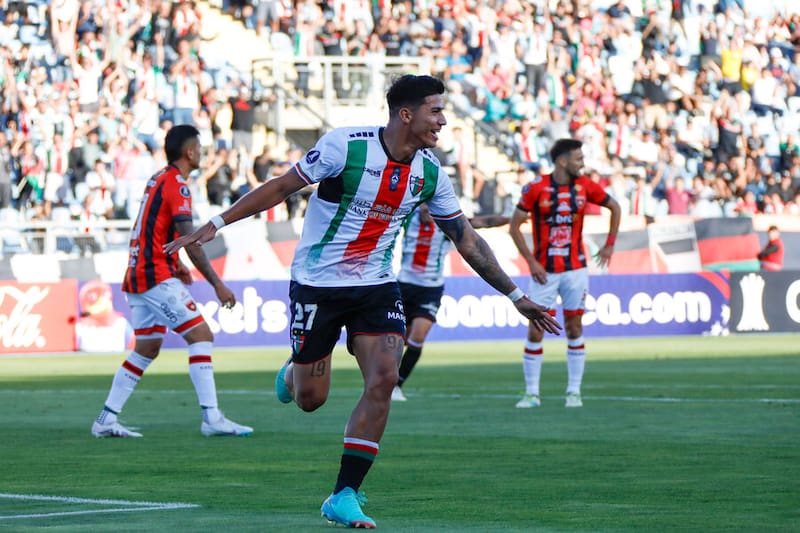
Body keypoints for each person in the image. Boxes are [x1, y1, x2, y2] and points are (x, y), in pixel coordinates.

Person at [164, 75, 561, 528]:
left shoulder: (430, 172)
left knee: (385, 378)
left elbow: (466, 238)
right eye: (435, 111)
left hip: (376, 286)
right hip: (316, 283)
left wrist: (515, 295)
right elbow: (280, 187)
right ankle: (296, 370)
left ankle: (343, 494)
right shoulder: (345, 147)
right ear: (406, 114)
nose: (443, 120)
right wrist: (216, 222)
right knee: (311, 400)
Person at [91, 124, 252, 439]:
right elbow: (190, 239)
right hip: (154, 277)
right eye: (200, 149)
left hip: (140, 273)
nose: (202, 154)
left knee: (147, 348)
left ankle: (106, 419)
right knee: (201, 335)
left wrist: (174, 261)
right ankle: (212, 418)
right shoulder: (177, 184)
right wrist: (217, 284)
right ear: (190, 151)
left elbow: (152, 229)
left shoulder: (158, 179)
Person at [509, 138, 621, 409]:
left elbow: (615, 207)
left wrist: (609, 246)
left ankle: (573, 392)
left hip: (576, 270)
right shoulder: (536, 188)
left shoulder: (585, 187)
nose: (582, 163)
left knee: (574, 327)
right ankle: (532, 394)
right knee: (537, 328)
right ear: (562, 161)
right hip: (544, 272)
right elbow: (514, 227)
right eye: (578, 159)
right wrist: (531, 261)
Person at [392, 203, 509, 402]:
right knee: (396, 340)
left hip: (430, 289)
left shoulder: (444, 225)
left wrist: (509, 218)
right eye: (423, 209)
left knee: (418, 336)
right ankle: (384, 380)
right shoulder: (407, 219)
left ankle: (396, 386)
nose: (426, 213)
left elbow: (481, 222)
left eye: (430, 210)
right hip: (403, 285)